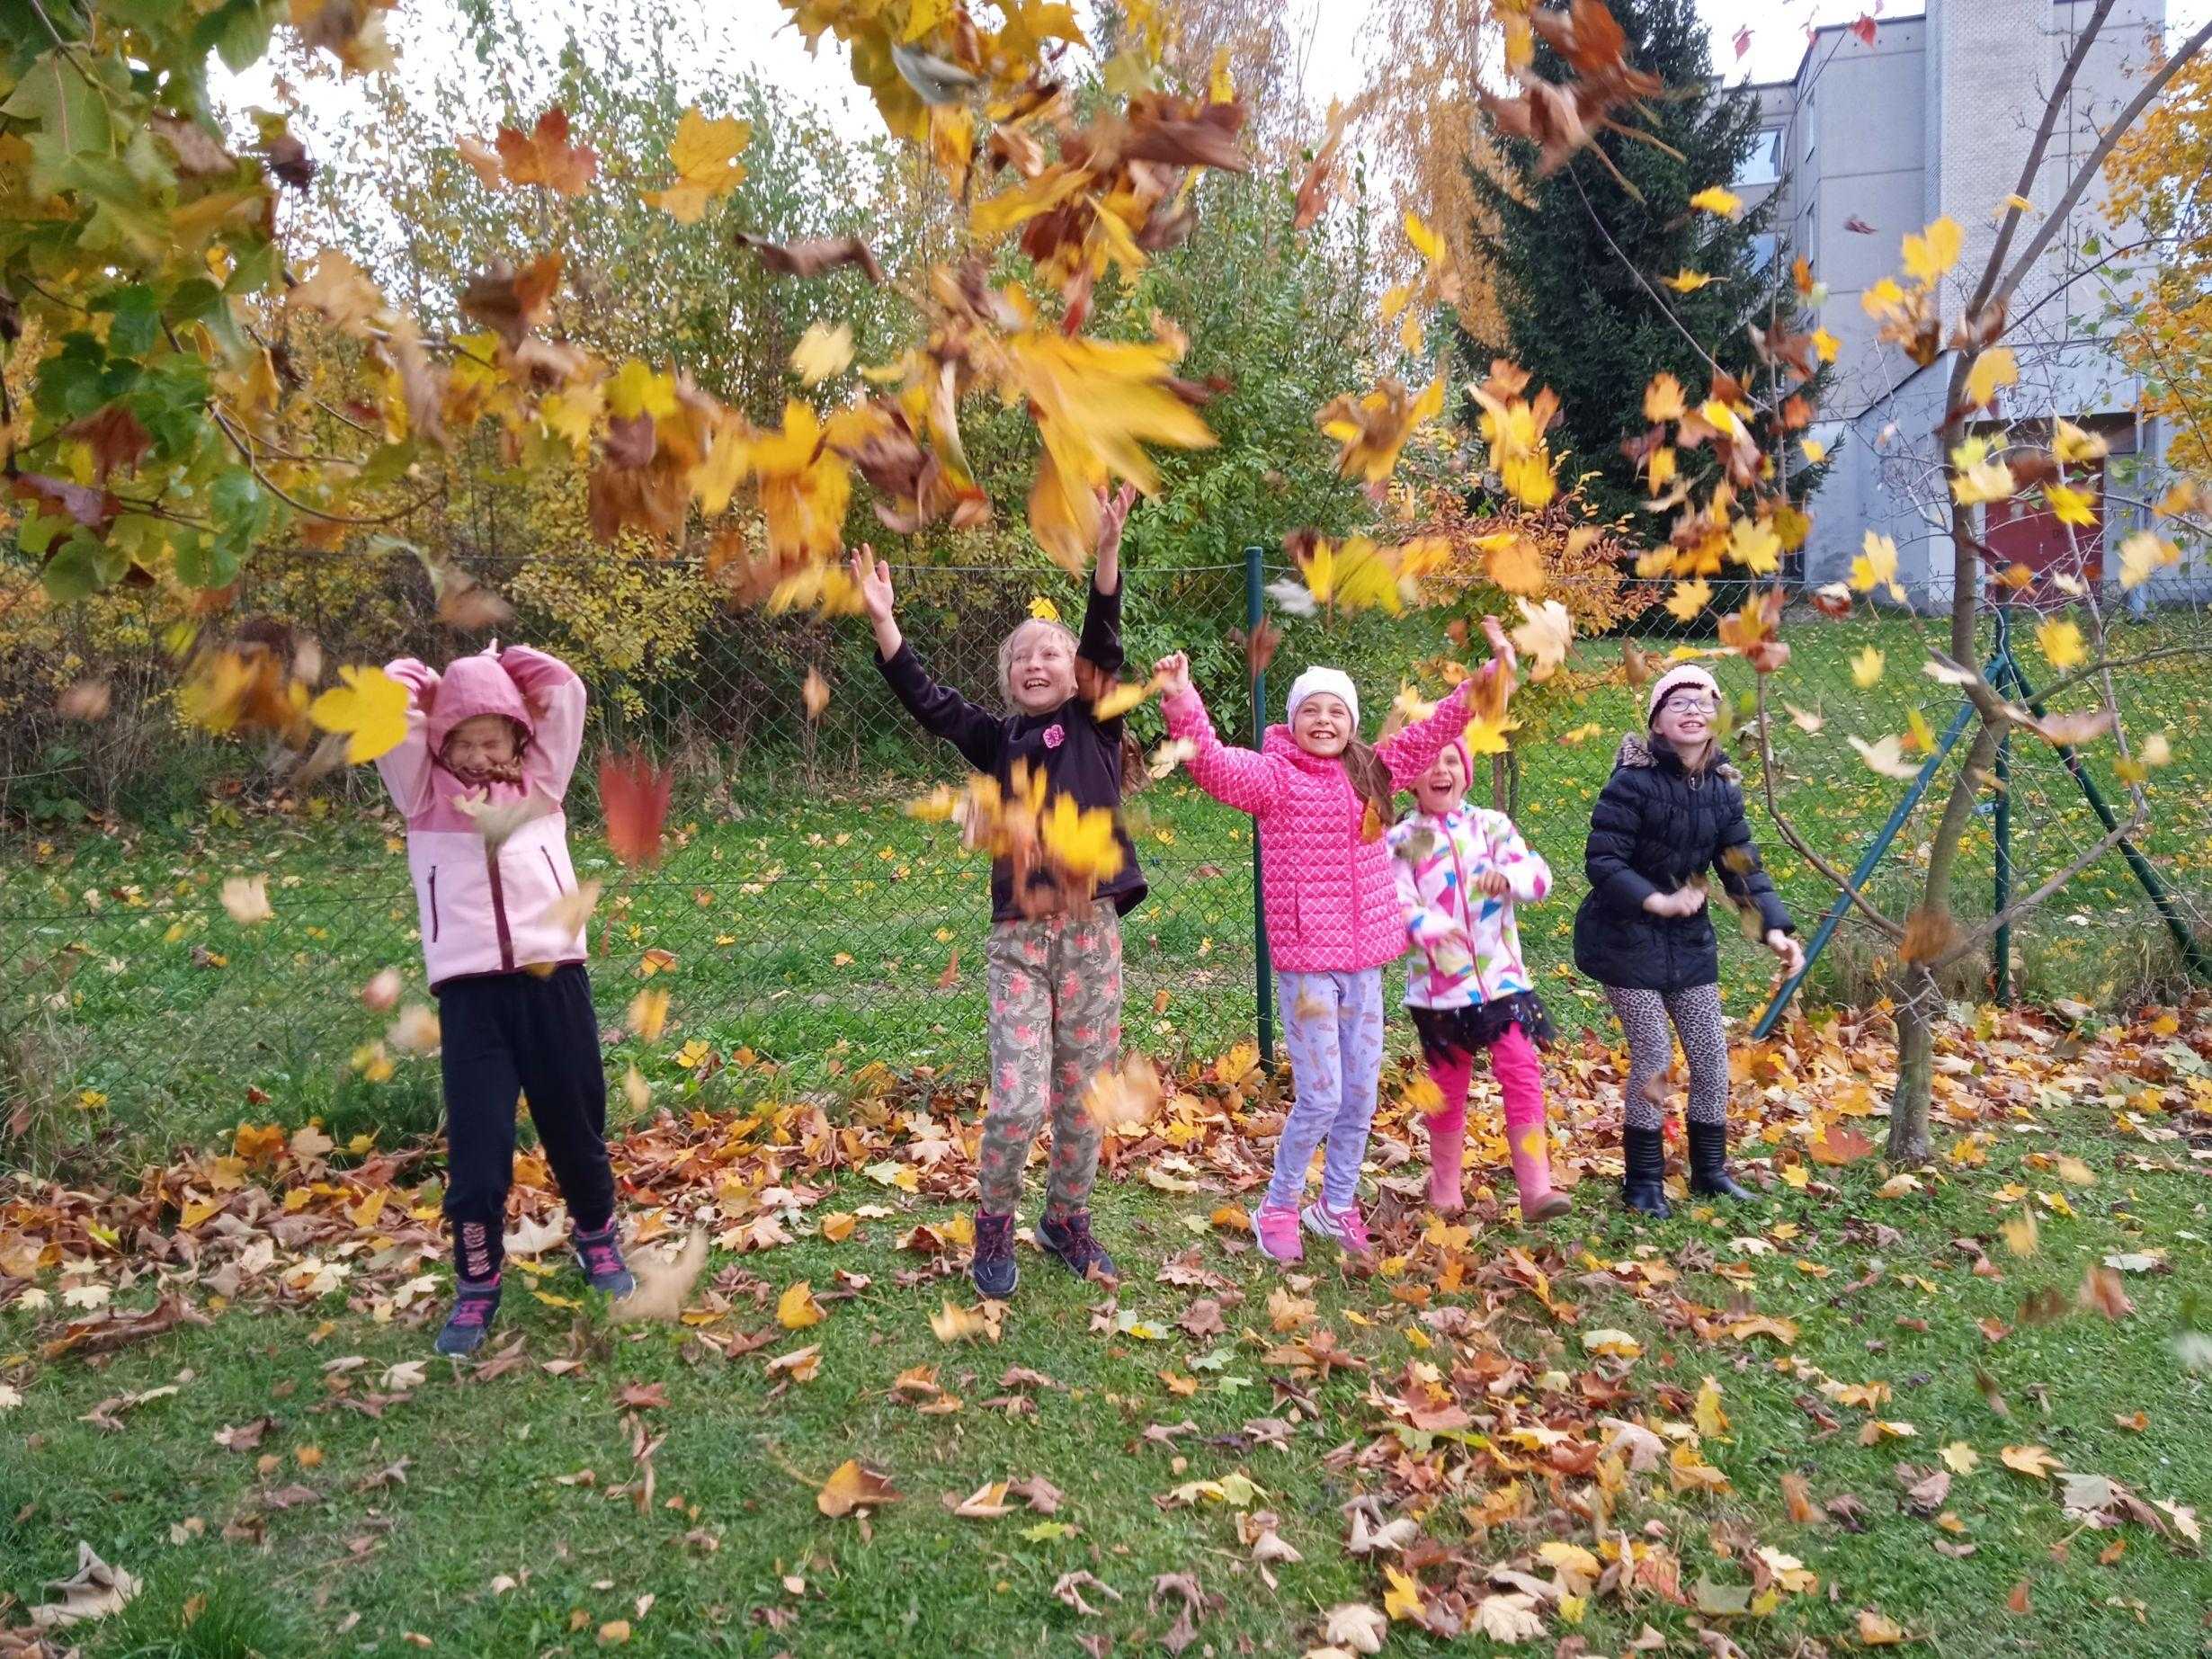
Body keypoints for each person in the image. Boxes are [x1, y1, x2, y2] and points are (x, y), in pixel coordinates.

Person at [852, 487, 1142, 1298]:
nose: (1039, 662)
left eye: (1051, 651)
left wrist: (1107, 557)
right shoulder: (998, 740)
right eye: (1024, 656)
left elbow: (1104, 642)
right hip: (1018, 939)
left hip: (1091, 932)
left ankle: (1067, 1218)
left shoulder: (1094, 722)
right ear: (1010, 679)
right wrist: (885, 623)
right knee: (1017, 1100)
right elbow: (928, 701)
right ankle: (993, 1219)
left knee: (1085, 1095)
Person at [1155, 638, 1496, 1264]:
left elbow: (1440, 726)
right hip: (1309, 960)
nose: (1324, 721)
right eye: (1311, 710)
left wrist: (1489, 676)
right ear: (1292, 719)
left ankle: (1335, 1205)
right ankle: (1278, 1205)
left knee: (1361, 1094)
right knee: (1321, 1095)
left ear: (1352, 723)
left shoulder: (1374, 769)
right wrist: (1182, 699)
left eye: (1336, 711)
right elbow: (1211, 763)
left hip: (1366, 961)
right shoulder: (1273, 776)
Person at [376, 642, 633, 1356]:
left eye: (494, 738)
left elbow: (567, 691)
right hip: (470, 997)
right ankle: (478, 1282)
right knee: (479, 1143)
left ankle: (596, 1234)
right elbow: (389, 710)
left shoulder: (542, 783)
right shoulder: (423, 794)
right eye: (463, 740)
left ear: (518, 735)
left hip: (554, 978)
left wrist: (507, 665)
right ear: (440, 743)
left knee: (575, 1116)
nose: (482, 755)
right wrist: (433, 688)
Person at [1574, 663, 1804, 1217]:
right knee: (1653, 1055)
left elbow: (1741, 863)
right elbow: (1603, 860)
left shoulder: (1724, 787)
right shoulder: (1632, 781)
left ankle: (1710, 1172)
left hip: (1688, 941)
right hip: (1624, 935)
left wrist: (1774, 928)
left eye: (1704, 702)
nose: (1693, 711)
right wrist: (1655, 900)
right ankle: (1643, 1182)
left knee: (1710, 1057)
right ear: (1657, 721)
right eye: (1678, 703)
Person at [1388, 697, 1566, 1222]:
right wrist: (1426, 925)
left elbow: (1539, 877)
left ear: (1464, 772)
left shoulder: (1492, 827)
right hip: (1439, 991)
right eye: (1427, 762)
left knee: (1521, 1069)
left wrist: (1507, 879)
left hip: (1502, 983)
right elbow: (1394, 902)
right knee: (1447, 1089)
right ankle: (1445, 1186)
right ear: (1411, 780)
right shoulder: (1402, 840)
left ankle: (1536, 1186)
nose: (1439, 770)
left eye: (1450, 761)